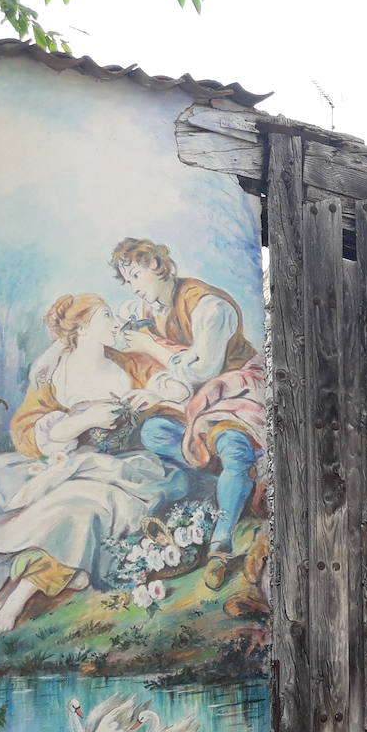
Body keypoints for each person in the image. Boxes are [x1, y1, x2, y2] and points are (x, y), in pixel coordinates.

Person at [0, 294, 187, 635]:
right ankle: (8, 588)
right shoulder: (56, 373)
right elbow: (27, 431)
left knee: (76, 511)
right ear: (83, 326)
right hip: (68, 461)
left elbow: (181, 389)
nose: (116, 324)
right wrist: (81, 422)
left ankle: (16, 597)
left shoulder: (130, 364)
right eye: (106, 316)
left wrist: (157, 397)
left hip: (122, 469)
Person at [108, 238, 266, 589]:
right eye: (127, 280)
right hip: (192, 401)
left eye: (136, 275)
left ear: (156, 265)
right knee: (155, 433)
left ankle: (220, 545)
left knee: (232, 444)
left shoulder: (208, 306)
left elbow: (204, 369)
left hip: (234, 388)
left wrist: (149, 347)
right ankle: (226, 491)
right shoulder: (150, 311)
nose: (133, 286)